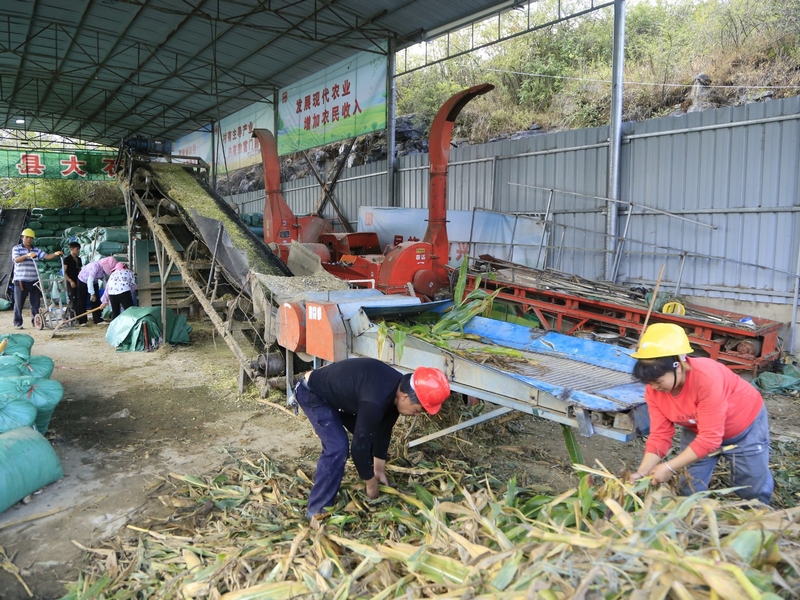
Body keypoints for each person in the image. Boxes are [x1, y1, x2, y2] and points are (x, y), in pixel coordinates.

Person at [628, 323, 773, 505]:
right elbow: (660, 435)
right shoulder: (654, 391)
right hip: (697, 428)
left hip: (743, 427)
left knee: (752, 484)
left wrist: (668, 467)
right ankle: (692, 521)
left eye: (658, 380)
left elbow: (710, 438)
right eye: (649, 382)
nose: (654, 387)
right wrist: (643, 471)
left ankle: (759, 518)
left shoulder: (706, 379)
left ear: (679, 365)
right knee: (689, 485)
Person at [294, 358, 451, 522]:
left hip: (344, 398)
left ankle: (368, 472)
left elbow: (383, 430)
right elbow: (358, 448)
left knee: (369, 435)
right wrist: (370, 483)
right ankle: (317, 511)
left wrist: (379, 470)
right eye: (418, 410)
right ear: (405, 397)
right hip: (314, 394)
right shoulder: (376, 400)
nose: (417, 415)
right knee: (338, 447)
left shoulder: (396, 389)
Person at [11, 228, 63, 329]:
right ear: (22, 238)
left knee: (35, 303)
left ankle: (35, 321)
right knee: (19, 303)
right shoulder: (16, 248)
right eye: (27, 237)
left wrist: (55, 254)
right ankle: (18, 323)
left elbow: (46, 256)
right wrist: (27, 255)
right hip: (20, 280)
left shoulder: (36, 250)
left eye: (31, 238)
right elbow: (16, 260)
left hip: (34, 280)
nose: (29, 239)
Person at [77, 256, 117, 325]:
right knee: (82, 300)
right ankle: (82, 321)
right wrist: (92, 293)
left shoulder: (103, 269)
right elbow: (90, 280)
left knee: (96, 300)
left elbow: (105, 281)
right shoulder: (95, 266)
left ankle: (98, 319)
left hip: (94, 282)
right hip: (83, 281)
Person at [62, 242, 82, 320]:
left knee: (79, 299)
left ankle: (78, 316)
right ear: (71, 249)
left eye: (79, 249)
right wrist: (70, 281)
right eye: (77, 249)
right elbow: (64, 272)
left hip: (78, 281)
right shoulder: (67, 259)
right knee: (73, 299)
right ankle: (71, 316)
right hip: (71, 281)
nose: (78, 251)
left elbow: (80, 271)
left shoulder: (79, 259)